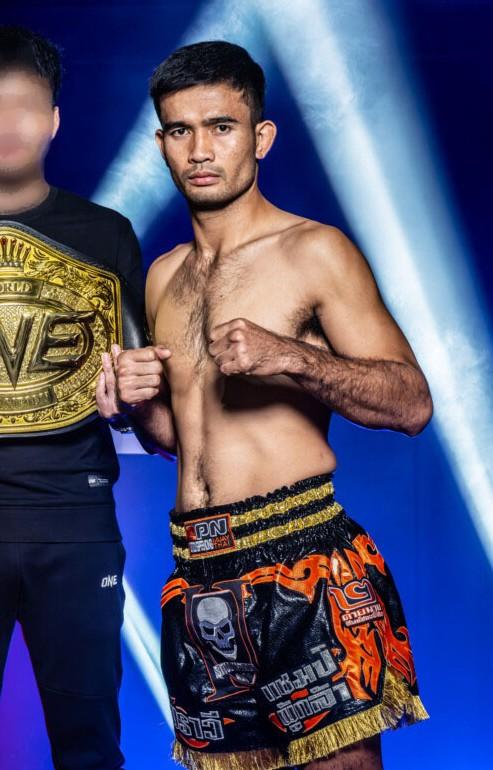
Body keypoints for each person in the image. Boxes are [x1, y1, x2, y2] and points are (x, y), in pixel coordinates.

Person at [97, 41, 432, 770]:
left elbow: (411, 404)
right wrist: (132, 405)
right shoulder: (163, 277)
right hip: (198, 576)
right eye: (180, 130)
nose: (199, 150)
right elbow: (183, 439)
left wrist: (294, 357)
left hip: (305, 562)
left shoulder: (314, 251)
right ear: (160, 143)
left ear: (261, 136)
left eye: (221, 126)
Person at [0, 26, 145, 770]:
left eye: (24, 106)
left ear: (54, 119)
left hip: (75, 519)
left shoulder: (106, 235)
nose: (7, 124)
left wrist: (135, 401)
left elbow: (148, 403)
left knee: (89, 746)